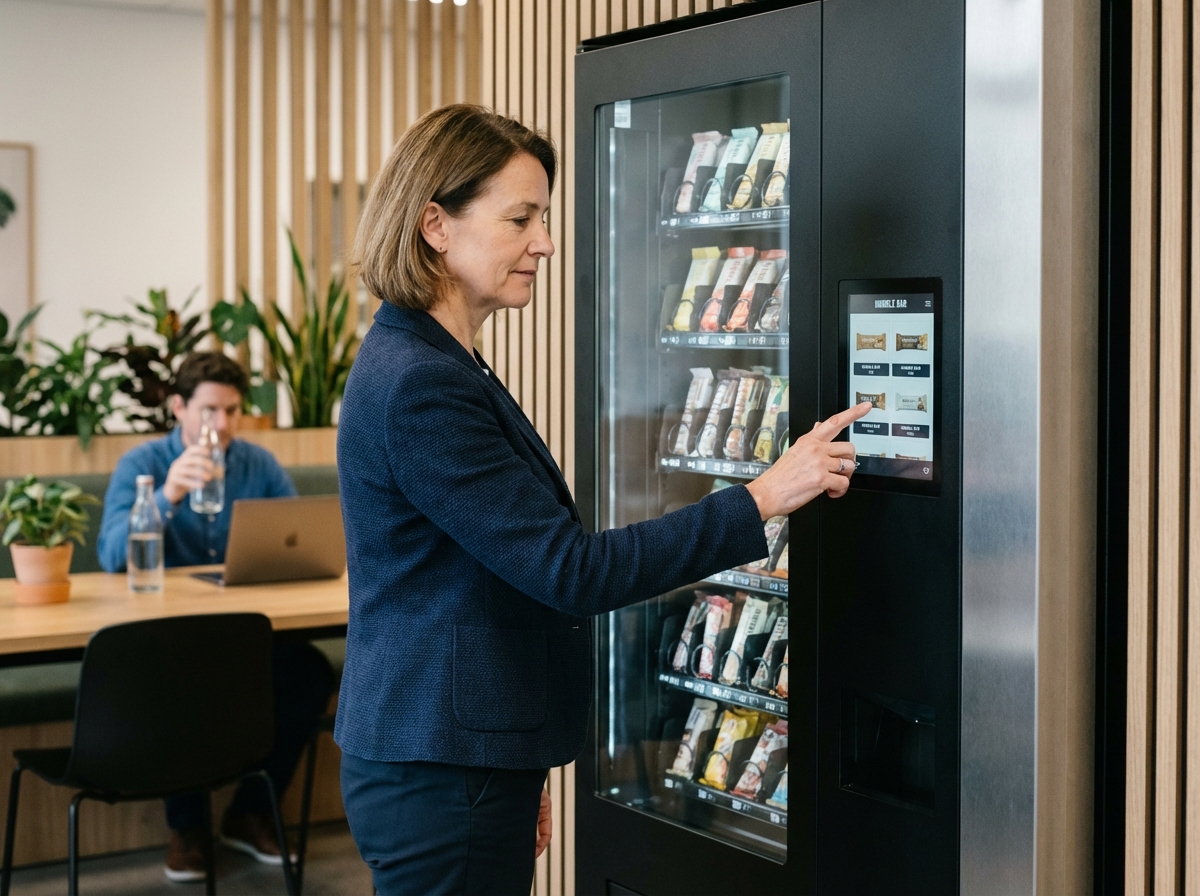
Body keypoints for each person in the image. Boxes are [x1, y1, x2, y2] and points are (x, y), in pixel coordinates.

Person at [336, 104, 870, 896]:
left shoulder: (436, 360)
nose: (544, 242)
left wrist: (519, 759)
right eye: (521, 218)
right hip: (443, 771)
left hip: (460, 759)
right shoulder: (421, 383)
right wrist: (759, 498)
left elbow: (484, 577)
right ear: (435, 225)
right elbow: (570, 571)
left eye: (543, 217)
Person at [97, 351, 336, 883]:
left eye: (231, 410)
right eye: (209, 410)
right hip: (164, 638)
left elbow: (295, 539)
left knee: (310, 672)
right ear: (179, 407)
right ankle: (187, 828)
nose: (222, 425)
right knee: (183, 676)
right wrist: (167, 495)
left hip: (247, 630)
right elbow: (111, 554)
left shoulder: (259, 465)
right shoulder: (142, 466)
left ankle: (249, 812)